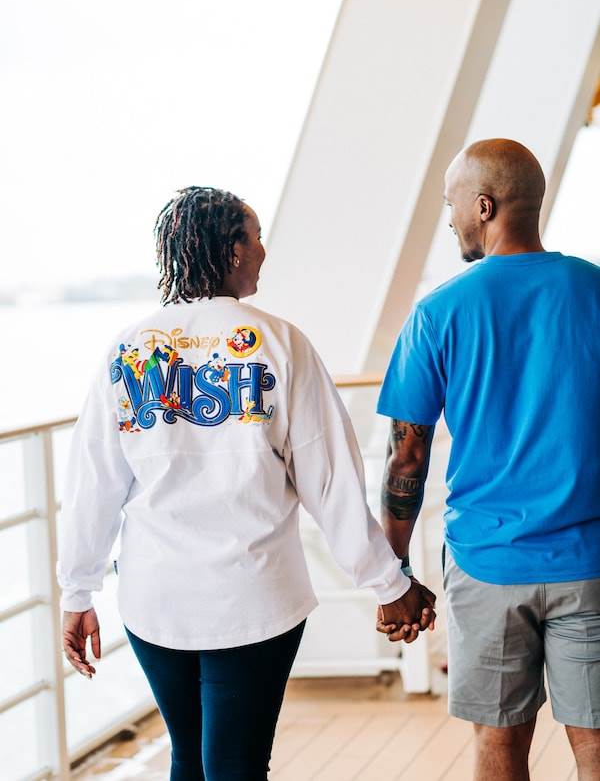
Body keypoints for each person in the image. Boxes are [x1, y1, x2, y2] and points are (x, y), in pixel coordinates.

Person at [57, 186, 434, 781]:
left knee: (188, 756)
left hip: (156, 600)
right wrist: (388, 583)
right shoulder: (280, 344)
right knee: (236, 765)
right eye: (256, 238)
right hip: (254, 597)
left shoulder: (128, 349)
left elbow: (93, 484)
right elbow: (330, 482)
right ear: (232, 250)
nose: (263, 251)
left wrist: (77, 592)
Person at [375, 139, 600, 781]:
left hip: (487, 563)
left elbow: (407, 458)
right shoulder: (594, 290)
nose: (449, 220)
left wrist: (394, 575)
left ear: (483, 205)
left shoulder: (438, 312)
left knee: (498, 743)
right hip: (590, 560)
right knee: (597, 745)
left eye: (451, 204)